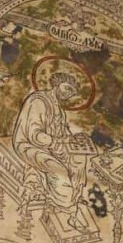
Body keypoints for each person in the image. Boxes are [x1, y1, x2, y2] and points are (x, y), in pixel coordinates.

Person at [12, 72, 89, 231]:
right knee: (58, 169)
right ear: (57, 84)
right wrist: (55, 142)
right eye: (67, 88)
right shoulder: (38, 101)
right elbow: (34, 134)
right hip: (29, 145)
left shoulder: (60, 110)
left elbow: (63, 134)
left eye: (72, 92)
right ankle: (68, 206)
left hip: (52, 147)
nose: (68, 94)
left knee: (79, 161)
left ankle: (74, 198)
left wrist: (74, 141)